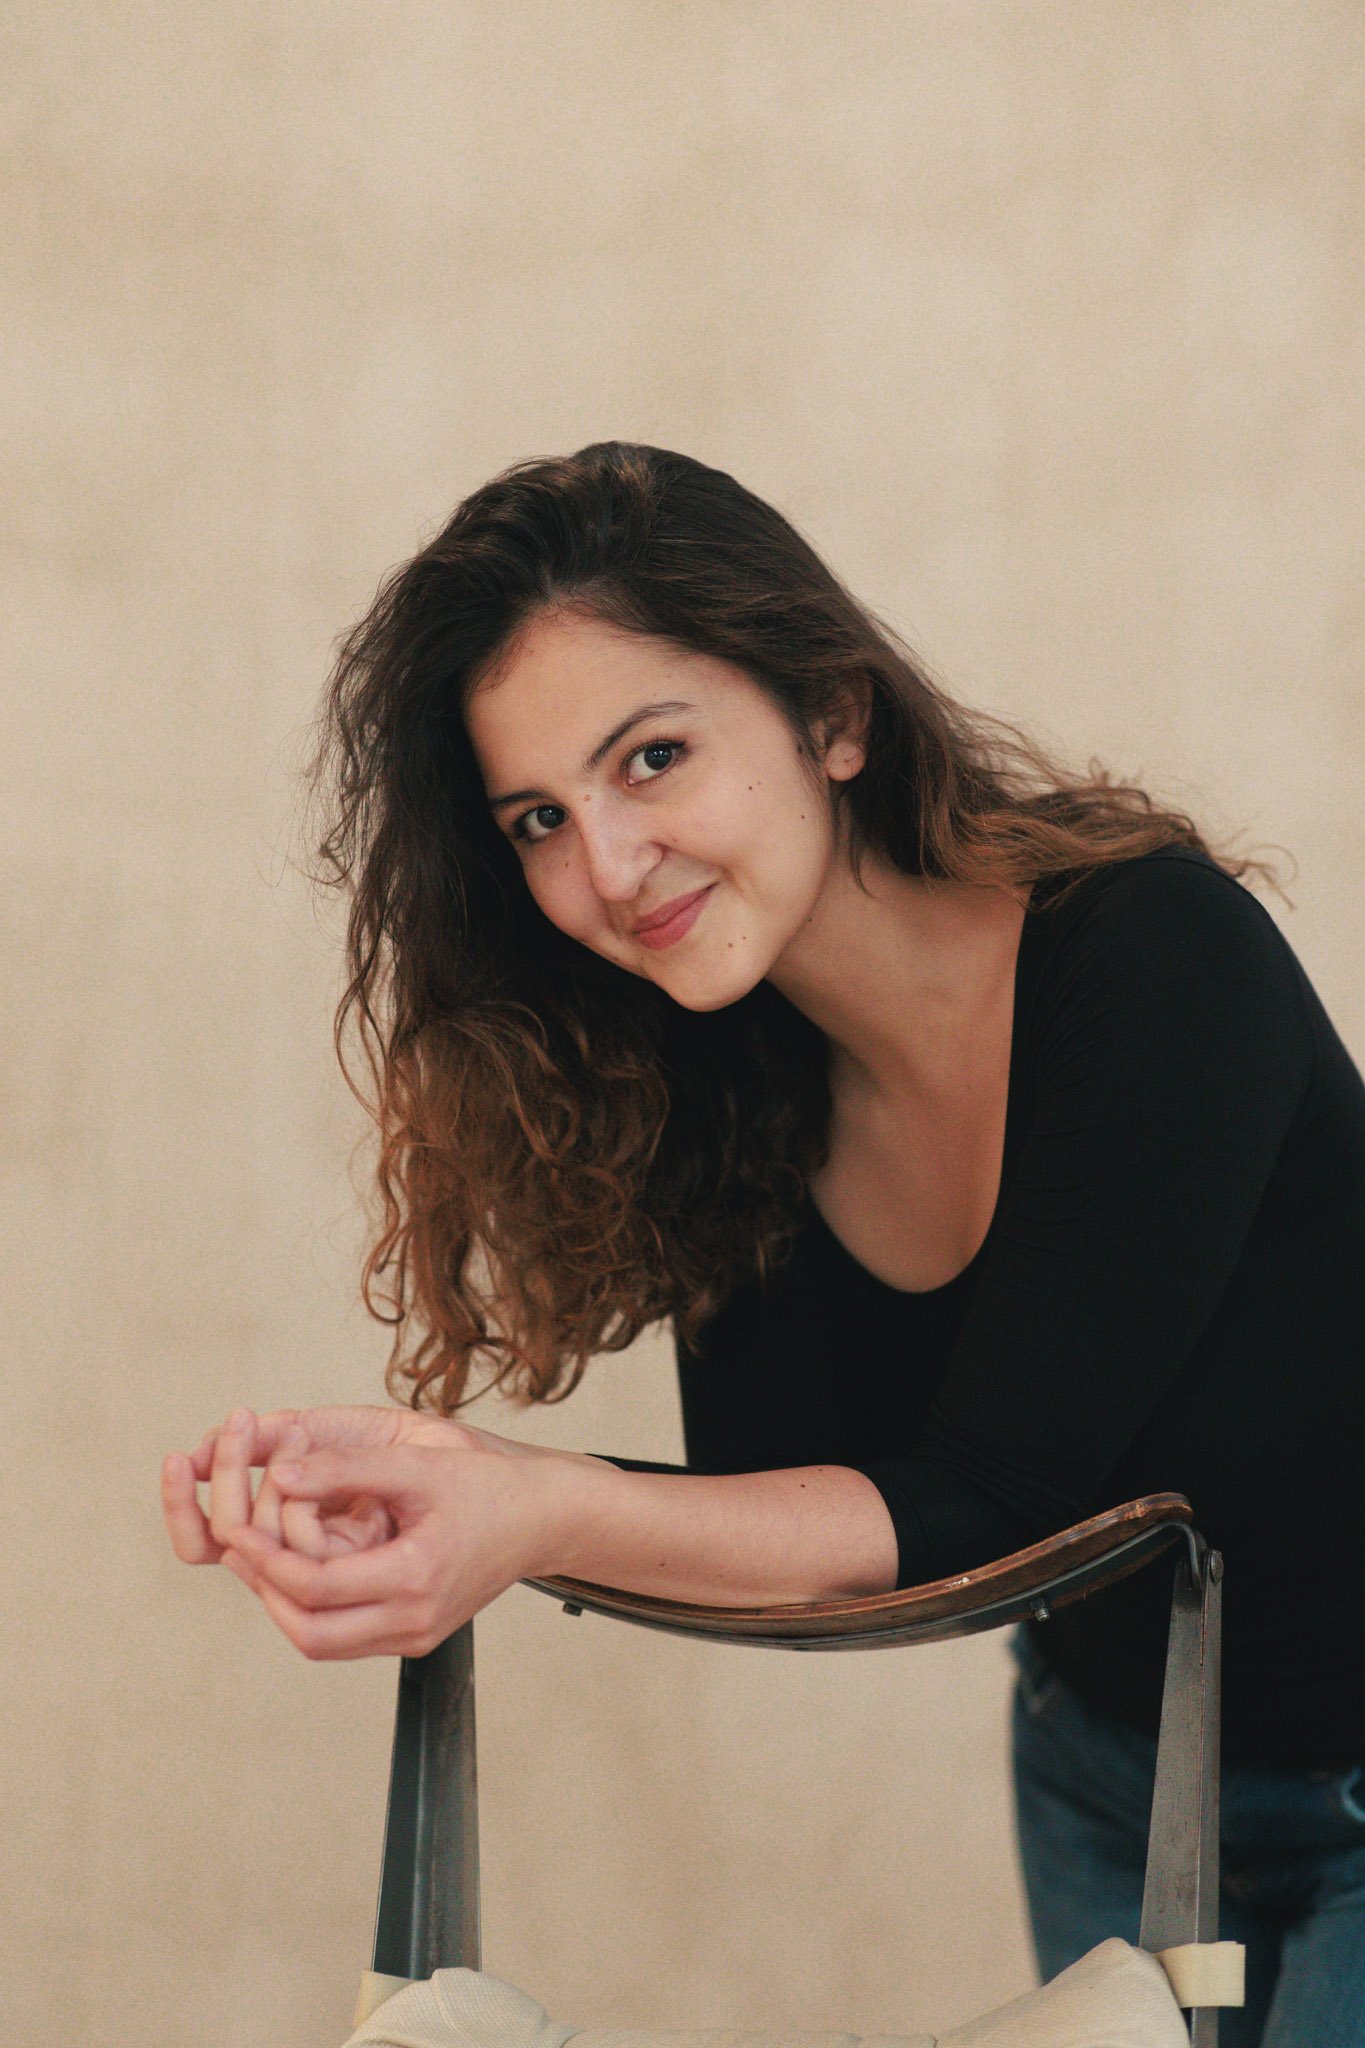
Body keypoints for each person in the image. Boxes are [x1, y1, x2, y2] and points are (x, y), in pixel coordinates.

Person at [161, 442, 1365, 2046]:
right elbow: (802, 1522)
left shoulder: (1152, 953)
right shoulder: (734, 1085)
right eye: (537, 817)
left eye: (651, 758)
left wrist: (534, 1511)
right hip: (1117, 1779)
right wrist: (444, 1485)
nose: (603, 868)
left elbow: (995, 1497)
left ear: (833, 715)